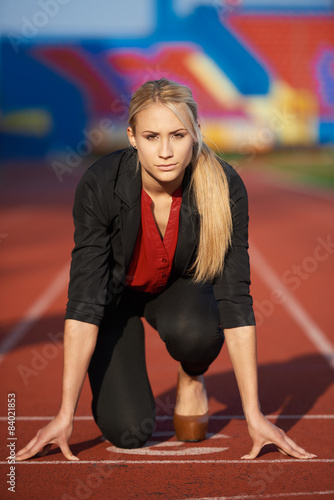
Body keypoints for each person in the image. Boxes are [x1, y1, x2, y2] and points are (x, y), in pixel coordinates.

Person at [16, 78, 316, 461]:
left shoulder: (224, 186)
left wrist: (254, 414)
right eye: (152, 136)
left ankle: (191, 375)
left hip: (178, 290)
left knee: (195, 334)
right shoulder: (100, 185)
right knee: (127, 432)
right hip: (115, 301)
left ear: (195, 133)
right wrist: (64, 413)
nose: (165, 152)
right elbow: (85, 300)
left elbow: (235, 298)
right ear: (132, 137)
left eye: (177, 135)